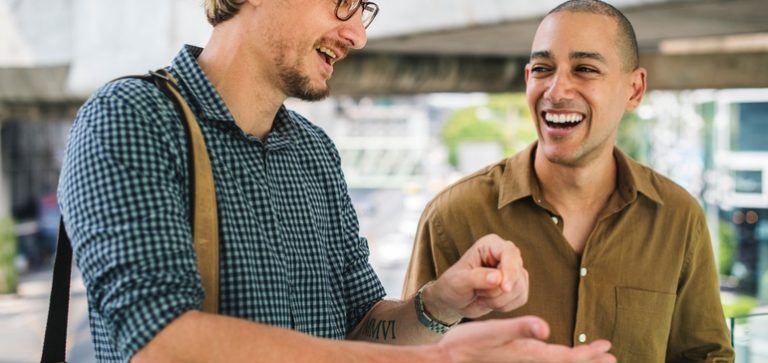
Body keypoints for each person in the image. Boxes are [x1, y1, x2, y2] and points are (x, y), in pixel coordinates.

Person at [57, 0, 617, 362]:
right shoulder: (130, 117)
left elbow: (359, 324)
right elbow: (161, 344)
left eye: (363, 10)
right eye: (342, 2)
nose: (358, 34)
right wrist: (439, 359)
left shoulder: (313, 151)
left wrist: (441, 304)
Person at [403, 1, 734, 362]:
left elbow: (705, 356)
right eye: (544, 69)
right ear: (528, 78)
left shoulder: (678, 217)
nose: (557, 91)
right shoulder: (452, 215)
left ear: (634, 90)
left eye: (585, 69)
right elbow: (402, 354)